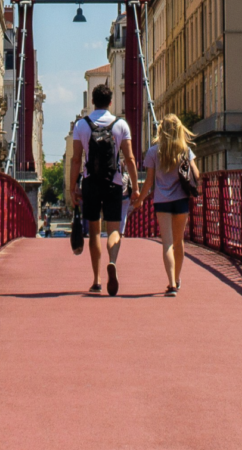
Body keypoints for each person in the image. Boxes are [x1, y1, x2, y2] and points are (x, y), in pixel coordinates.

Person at [68, 83, 137, 296]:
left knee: (95, 232)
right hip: (114, 183)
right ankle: (113, 261)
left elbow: (76, 159)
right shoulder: (120, 125)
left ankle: (97, 280)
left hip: (90, 183)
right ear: (110, 102)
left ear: (92, 101)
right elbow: (131, 158)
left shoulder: (81, 125)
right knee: (114, 230)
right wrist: (135, 187)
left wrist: (73, 188)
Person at [133, 114, 199, 296]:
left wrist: (139, 200)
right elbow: (197, 175)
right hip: (181, 200)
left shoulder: (153, 151)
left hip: (162, 201)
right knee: (179, 242)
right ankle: (177, 279)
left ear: (161, 130)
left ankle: (170, 284)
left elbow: (148, 182)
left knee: (167, 243)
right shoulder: (185, 150)